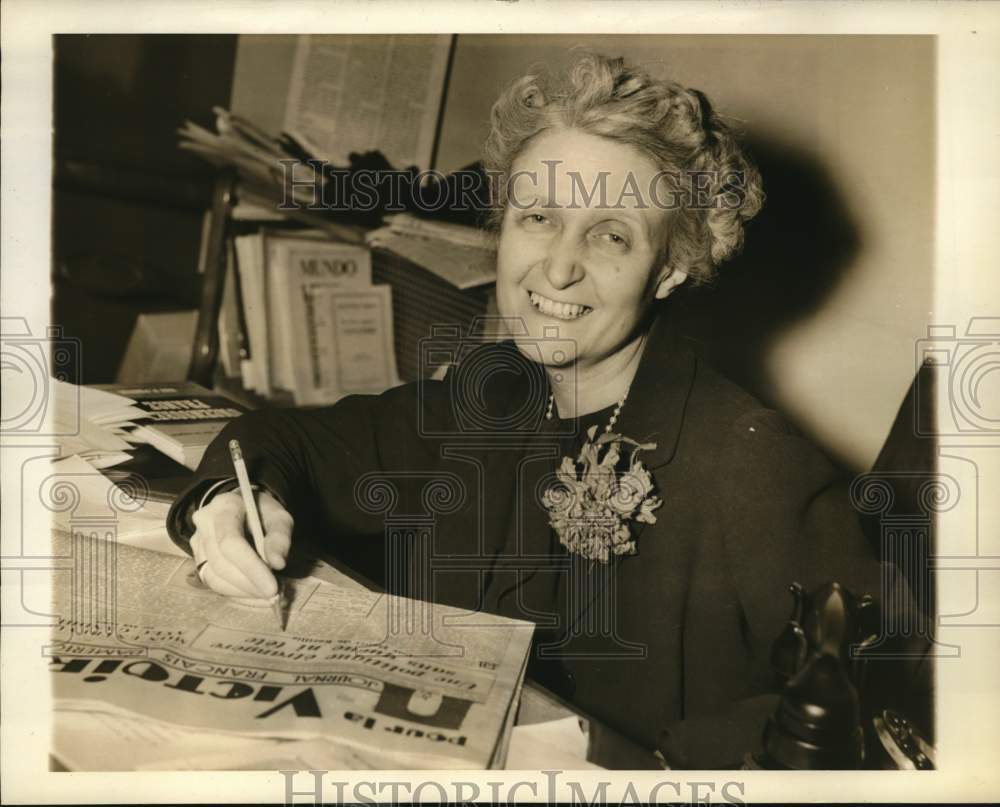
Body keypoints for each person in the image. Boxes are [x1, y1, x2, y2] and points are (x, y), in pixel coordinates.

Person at [167, 53, 918, 768]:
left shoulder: (752, 461)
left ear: (672, 269)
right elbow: (287, 438)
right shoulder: (493, 394)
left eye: (612, 236)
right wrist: (232, 498)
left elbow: (898, 674)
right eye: (538, 219)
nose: (558, 266)